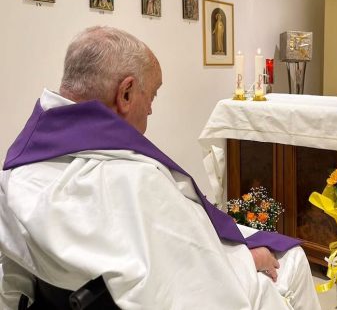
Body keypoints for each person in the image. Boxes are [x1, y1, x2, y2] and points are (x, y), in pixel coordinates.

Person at [0, 26, 320, 309]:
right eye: (151, 95)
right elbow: (187, 278)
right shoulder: (133, 179)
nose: (151, 109)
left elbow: (15, 271)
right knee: (292, 260)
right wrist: (248, 260)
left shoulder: (19, 166)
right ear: (125, 93)